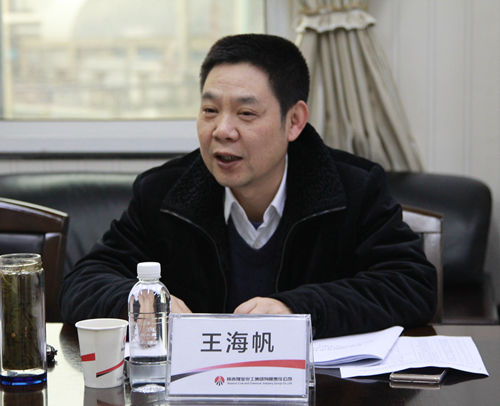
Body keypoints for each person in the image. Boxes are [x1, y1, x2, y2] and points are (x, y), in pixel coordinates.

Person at [60, 34, 436, 338]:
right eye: (210, 111)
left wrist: (296, 309)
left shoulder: (352, 188)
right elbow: (82, 283)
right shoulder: (164, 193)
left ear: (294, 121)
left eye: (246, 113)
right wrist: (140, 301)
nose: (222, 130)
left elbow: (411, 284)